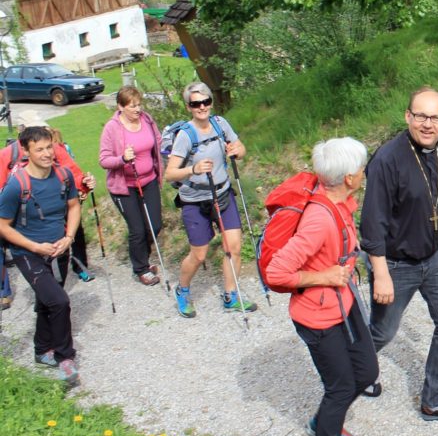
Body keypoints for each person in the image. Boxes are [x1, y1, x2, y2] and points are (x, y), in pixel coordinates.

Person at [265, 137, 378, 436]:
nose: (363, 173)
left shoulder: (338, 202)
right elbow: (276, 273)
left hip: (343, 304)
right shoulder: (319, 220)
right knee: (341, 386)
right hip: (317, 317)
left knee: (367, 371)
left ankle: (323, 422)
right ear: (348, 177)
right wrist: (323, 276)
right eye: (360, 168)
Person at [360, 87, 438, 423]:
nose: (428, 124)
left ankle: (436, 398)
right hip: (395, 262)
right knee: (383, 332)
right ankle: (354, 371)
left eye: (435, 117)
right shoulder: (386, 160)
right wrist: (380, 272)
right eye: (421, 116)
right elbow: (372, 222)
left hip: (435, 257)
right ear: (408, 116)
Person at [163, 82, 256, 318]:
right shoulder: (185, 135)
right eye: (196, 103)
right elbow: (170, 174)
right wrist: (193, 169)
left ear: (211, 102)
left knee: (233, 247)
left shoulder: (220, 123)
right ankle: (182, 290)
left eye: (205, 102)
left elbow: (241, 149)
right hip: (195, 201)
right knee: (199, 255)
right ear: (189, 107)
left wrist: (238, 151)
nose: (202, 107)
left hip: (223, 193)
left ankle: (230, 296)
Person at [0, 126, 82, 386]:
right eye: (40, 149)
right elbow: (3, 225)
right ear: (26, 152)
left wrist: (69, 237)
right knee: (59, 301)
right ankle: (65, 358)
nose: (47, 154)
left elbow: (74, 206)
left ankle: (40, 349)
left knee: (48, 301)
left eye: (50, 147)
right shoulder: (16, 185)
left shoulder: (63, 175)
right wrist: (35, 248)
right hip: (28, 253)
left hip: (59, 250)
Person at [0, 124, 96, 283]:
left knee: (74, 227)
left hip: (55, 199)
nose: (46, 152)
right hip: (22, 206)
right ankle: (5, 289)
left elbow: (71, 170)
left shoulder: (53, 149)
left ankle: (78, 266)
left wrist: (84, 183)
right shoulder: (9, 153)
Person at [99, 86, 164, 286]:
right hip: (124, 186)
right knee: (137, 229)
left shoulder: (147, 120)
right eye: (132, 106)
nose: (138, 109)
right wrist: (122, 159)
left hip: (149, 180)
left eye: (139, 104)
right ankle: (141, 268)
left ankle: (143, 257)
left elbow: (159, 142)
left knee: (154, 226)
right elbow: (104, 160)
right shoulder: (112, 127)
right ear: (121, 107)